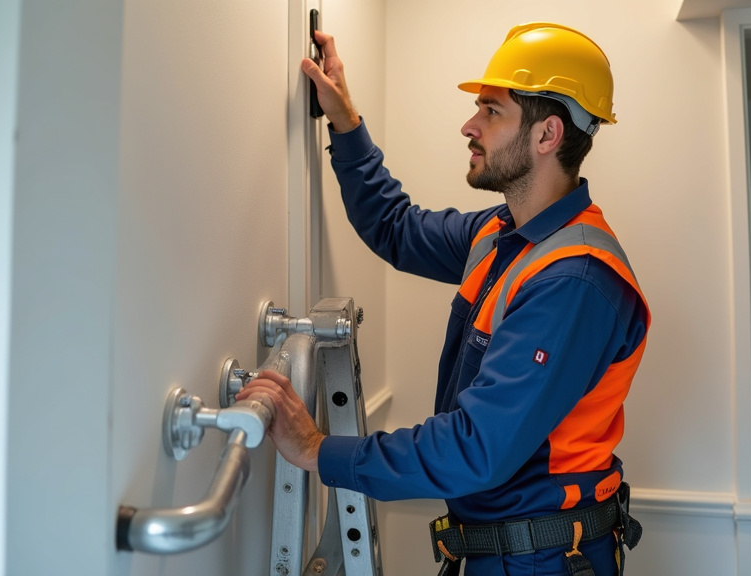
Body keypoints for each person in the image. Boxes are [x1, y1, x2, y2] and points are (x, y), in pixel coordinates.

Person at [236, 22, 651, 576]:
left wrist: (317, 449)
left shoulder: (573, 280)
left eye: (491, 111)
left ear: (547, 134)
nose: (469, 125)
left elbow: (475, 447)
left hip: (543, 561)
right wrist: (344, 119)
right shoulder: (502, 235)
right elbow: (395, 228)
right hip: (497, 551)